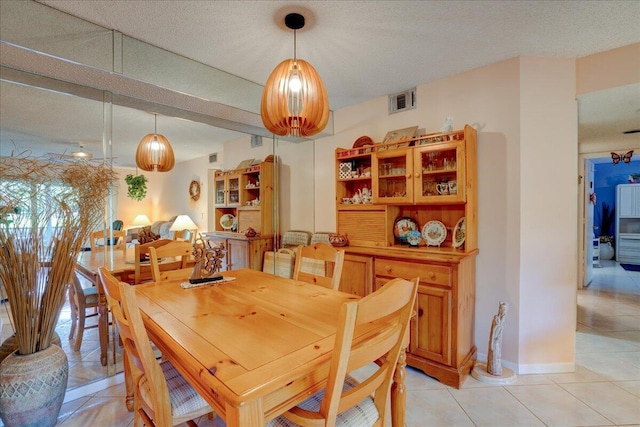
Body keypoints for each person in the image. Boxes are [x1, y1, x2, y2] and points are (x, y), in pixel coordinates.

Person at [487, 301, 508, 375]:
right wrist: (491, 343)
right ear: (500, 309)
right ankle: (493, 369)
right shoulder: (497, 319)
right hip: (495, 341)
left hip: (498, 341)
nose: (504, 312)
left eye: (505, 310)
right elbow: (493, 332)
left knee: (498, 355)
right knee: (495, 355)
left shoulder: (502, 320)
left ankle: (496, 369)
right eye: (503, 310)